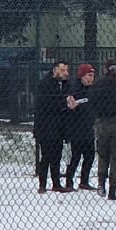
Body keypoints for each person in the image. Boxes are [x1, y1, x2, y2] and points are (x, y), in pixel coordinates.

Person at [89, 63, 116, 199]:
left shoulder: (98, 85)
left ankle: (101, 183)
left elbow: (92, 103)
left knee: (103, 156)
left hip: (102, 123)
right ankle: (113, 188)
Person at [33, 61, 71, 193]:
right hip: (46, 127)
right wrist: (65, 104)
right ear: (55, 70)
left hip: (59, 127)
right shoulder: (45, 84)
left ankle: (56, 183)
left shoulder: (65, 85)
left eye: (66, 70)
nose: (66, 73)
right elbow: (46, 104)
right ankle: (42, 184)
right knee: (47, 156)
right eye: (62, 70)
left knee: (57, 156)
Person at [63, 63, 98, 193]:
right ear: (82, 76)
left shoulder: (92, 90)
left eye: (93, 75)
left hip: (88, 128)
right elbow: (68, 106)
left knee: (89, 156)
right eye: (89, 75)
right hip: (76, 129)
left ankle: (84, 181)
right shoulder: (74, 89)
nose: (91, 78)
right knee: (75, 157)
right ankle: (69, 181)